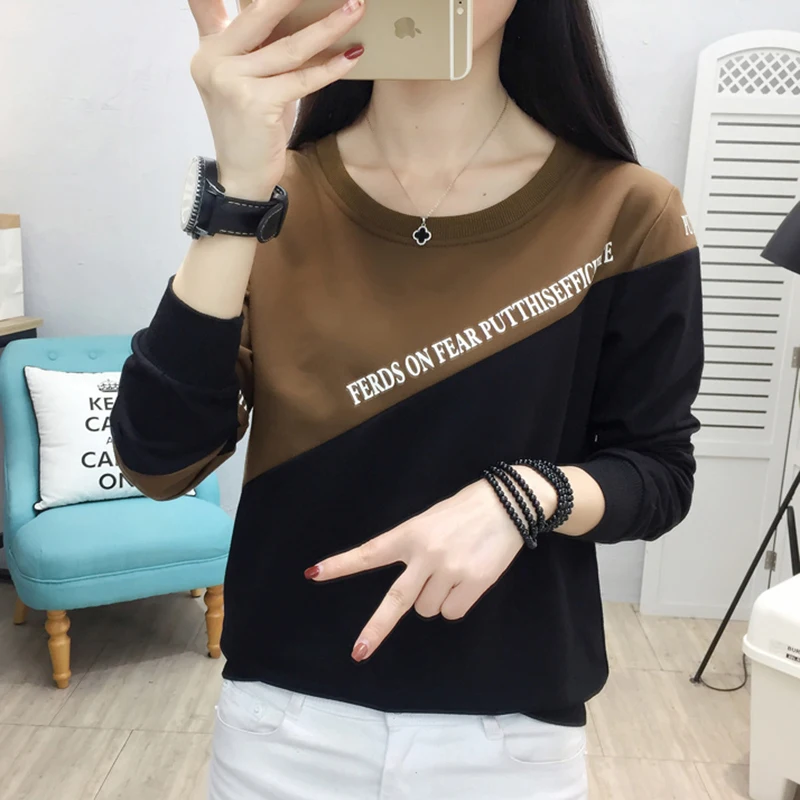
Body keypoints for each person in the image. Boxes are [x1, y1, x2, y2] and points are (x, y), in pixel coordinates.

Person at [110, 0, 704, 797]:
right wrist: (240, 189)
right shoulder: (274, 195)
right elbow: (158, 462)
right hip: (280, 724)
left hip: (509, 737)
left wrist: (529, 496)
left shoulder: (628, 212)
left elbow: (658, 472)